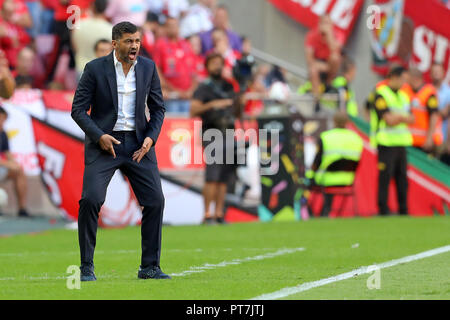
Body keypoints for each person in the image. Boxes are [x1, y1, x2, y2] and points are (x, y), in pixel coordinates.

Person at [71, 21, 169, 281]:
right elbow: (78, 110)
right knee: (91, 200)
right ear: (115, 43)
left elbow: (158, 108)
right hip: (105, 144)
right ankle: (86, 267)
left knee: (155, 201)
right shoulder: (94, 69)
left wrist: (151, 138)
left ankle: (149, 267)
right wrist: (99, 135)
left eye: (137, 40)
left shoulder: (148, 67)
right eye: (128, 41)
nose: (134, 45)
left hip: (139, 144)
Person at [190, 53, 237, 225]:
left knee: (224, 177)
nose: (217, 66)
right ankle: (207, 214)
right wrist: (213, 104)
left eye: (220, 63)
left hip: (229, 132)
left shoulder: (228, 86)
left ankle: (219, 213)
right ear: (208, 66)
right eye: (214, 63)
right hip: (212, 132)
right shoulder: (204, 88)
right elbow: (193, 110)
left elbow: (237, 110)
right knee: (212, 175)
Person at [370, 65, 414, 216]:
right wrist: (402, 118)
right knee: (385, 177)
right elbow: (388, 119)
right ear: (394, 77)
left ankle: (404, 210)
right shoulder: (380, 94)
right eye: (403, 79)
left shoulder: (404, 96)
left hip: (401, 142)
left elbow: (412, 118)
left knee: (402, 179)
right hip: (386, 143)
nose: (404, 83)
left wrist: (398, 117)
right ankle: (383, 210)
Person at [308, 111, 363, 217]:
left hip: (326, 179)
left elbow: (317, 162)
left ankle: (313, 213)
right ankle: (326, 211)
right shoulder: (356, 138)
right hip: (348, 179)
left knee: (307, 181)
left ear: (334, 121)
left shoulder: (326, 137)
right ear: (347, 122)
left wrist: (310, 175)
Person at [153, 16, 197, 114]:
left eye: (175, 25)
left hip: (188, 96)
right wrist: (174, 90)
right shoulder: (160, 44)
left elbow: (194, 70)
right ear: (165, 28)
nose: (173, 28)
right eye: (170, 26)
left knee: (187, 127)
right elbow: (156, 70)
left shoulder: (186, 44)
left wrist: (191, 90)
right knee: (173, 126)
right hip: (172, 97)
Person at [305, 14, 344, 105]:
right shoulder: (312, 36)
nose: (325, 26)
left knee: (335, 58)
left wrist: (329, 35)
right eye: (324, 23)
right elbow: (309, 59)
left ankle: (329, 84)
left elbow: (335, 50)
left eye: (328, 23)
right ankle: (317, 101)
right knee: (313, 70)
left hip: (332, 67)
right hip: (318, 65)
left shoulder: (338, 35)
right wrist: (322, 66)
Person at [402, 67, 442, 153]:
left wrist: (429, 138)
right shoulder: (406, 89)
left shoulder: (429, 93)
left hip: (423, 142)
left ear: (415, 78)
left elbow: (434, 116)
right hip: (408, 139)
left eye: (408, 79)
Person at [0, 106, 29, 217]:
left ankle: (22, 209)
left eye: (4, 120)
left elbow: (7, 154)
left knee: (19, 171)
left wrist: (15, 164)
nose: (3, 123)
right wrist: (9, 164)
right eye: (1, 119)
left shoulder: (3, 134)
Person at [72, 0, 113, 76]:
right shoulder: (110, 29)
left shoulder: (79, 25)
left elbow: (74, 47)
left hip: (81, 67)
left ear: (92, 7)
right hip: (101, 70)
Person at [430, 63, 450, 164]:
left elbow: (444, 113)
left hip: (441, 137)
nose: (436, 74)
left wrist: (431, 110)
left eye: (438, 72)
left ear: (443, 73)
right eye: (434, 72)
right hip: (426, 135)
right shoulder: (426, 89)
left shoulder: (448, 92)